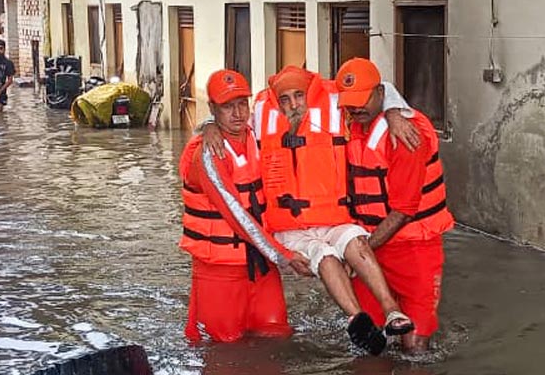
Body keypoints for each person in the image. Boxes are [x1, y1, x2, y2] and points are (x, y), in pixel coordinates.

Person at [255, 65, 414, 355]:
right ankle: (357, 320)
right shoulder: (258, 112)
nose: (293, 105)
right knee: (324, 256)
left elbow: (380, 89)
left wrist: (394, 112)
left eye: (298, 96)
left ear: (309, 94)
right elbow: (225, 118)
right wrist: (209, 127)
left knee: (356, 239)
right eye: (285, 99)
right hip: (289, 227)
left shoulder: (333, 101)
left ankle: (392, 311)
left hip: (333, 217)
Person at [180, 69, 312, 343]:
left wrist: (394, 107)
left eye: (242, 104)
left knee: (276, 335)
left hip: (261, 265)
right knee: (222, 351)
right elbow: (236, 215)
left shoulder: (258, 135)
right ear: (213, 108)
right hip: (220, 270)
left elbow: (320, 91)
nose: (238, 113)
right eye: (228, 106)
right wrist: (282, 255)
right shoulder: (207, 153)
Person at [336, 59, 454, 352]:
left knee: (415, 346)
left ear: (379, 93)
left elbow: (403, 211)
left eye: (362, 101)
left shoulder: (406, 136)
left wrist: (359, 254)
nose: (355, 109)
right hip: (369, 245)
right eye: (349, 103)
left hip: (414, 248)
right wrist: (210, 124)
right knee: (369, 343)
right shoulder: (352, 119)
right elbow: (293, 93)